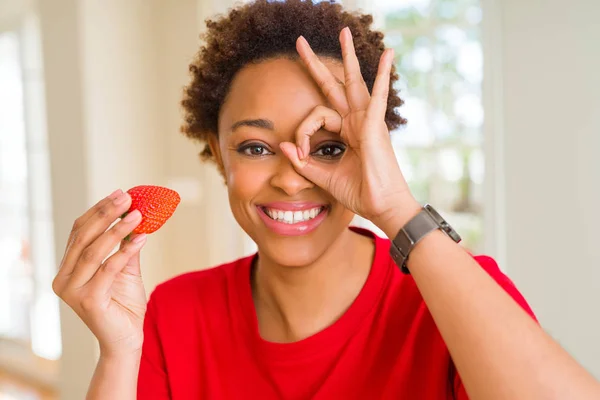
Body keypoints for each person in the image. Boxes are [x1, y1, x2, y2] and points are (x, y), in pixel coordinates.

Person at [52, 0, 600, 399]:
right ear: (218, 155)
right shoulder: (173, 315)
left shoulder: (453, 298)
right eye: (257, 146)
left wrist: (396, 209)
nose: (293, 179)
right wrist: (120, 353)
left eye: (330, 146)